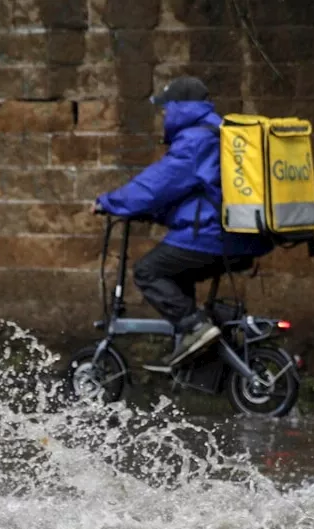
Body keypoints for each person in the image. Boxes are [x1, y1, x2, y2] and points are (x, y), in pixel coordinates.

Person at [92, 76, 273, 371]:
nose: (163, 115)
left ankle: (195, 328)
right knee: (176, 274)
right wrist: (152, 214)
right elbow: (194, 194)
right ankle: (194, 355)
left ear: (180, 107)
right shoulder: (216, 132)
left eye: (166, 108)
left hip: (214, 237)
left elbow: (158, 184)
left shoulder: (196, 140)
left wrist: (108, 202)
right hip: (238, 235)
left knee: (148, 271)